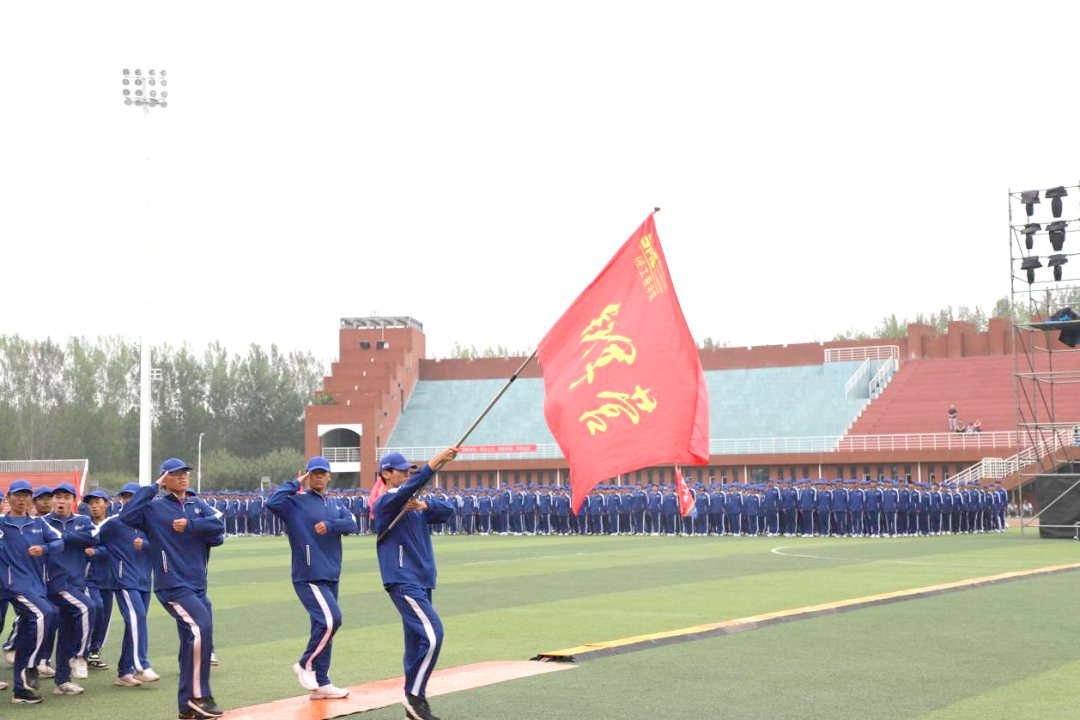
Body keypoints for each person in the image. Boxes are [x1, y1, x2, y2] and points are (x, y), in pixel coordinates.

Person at [119, 458, 226, 720]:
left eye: (185, 472)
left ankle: (186, 706)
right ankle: (199, 697)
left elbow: (219, 528)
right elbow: (126, 515)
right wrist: (152, 487)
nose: (182, 476)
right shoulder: (153, 507)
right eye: (175, 473)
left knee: (194, 640)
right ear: (164, 479)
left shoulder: (196, 505)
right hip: (173, 585)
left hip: (197, 584)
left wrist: (191, 525)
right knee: (200, 628)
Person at [373, 449, 457, 720]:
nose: (407, 474)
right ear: (386, 474)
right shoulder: (386, 503)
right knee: (433, 635)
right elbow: (409, 488)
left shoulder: (413, 505)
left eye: (410, 470)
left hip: (422, 581)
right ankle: (415, 697)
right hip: (403, 580)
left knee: (415, 644)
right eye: (402, 471)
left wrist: (426, 506)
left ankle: (413, 707)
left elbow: (449, 511)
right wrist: (435, 462)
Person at [266, 456, 357, 699]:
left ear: (329, 476)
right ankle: (305, 665)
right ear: (307, 475)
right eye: (313, 473)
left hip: (331, 573)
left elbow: (352, 524)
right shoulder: (295, 502)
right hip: (308, 574)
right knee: (331, 621)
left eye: (322, 473)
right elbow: (272, 502)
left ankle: (322, 683)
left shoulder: (335, 503)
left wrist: (330, 525)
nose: (318, 476)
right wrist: (295, 483)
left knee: (324, 627)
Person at [0, 479, 63, 704]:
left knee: (33, 628)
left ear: (30, 499)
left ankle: (22, 691)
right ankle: (31, 665)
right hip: (10, 586)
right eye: (17, 495)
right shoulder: (1, 524)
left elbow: (59, 543)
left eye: (25, 495)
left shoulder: (39, 524)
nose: (21, 499)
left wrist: (44, 548)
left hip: (32, 586)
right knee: (45, 613)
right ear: (8, 498)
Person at [93, 483, 158, 687]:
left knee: (135, 624)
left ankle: (125, 672)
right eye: (125, 497)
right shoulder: (114, 522)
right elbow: (93, 539)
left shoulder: (149, 524)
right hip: (123, 580)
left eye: (133, 496)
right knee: (137, 618)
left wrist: (145, 544)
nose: (129, 500)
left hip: (144, 580)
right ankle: (141, 666)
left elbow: (162, 546)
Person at [41, 482, 97, 695]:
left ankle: (63, 681)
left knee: (68, 631)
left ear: (74, 501)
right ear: (52, 500)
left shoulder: (82, 521)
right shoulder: (43, 522)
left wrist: (65, 537)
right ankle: (80, 656)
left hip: (76, 584)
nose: (61, 501)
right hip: (54, 584)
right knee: (88, 607)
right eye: (58, 497)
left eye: (66, 497)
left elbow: (94, 538)